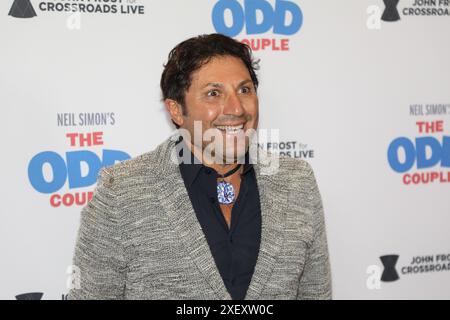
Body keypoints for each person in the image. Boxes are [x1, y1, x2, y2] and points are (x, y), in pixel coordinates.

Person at [68, 33, 332, 300]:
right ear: (176, 110)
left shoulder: (296, 181)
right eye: (213, 93)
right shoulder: (121, 191)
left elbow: (315, 293)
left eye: (245, 89)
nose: (236, 108)